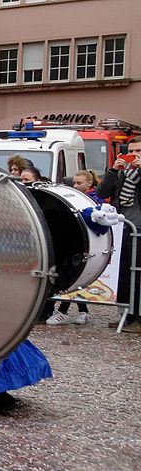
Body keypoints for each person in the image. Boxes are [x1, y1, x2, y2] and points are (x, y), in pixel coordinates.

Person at [46, 170, 102, 325]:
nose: (75, 186)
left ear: (89, 183)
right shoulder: (75, 198)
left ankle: (66, 311)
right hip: (75, 242)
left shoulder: (93, 199)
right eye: (74, 183)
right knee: (74, 277)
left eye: (79, 183)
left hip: (88, 244)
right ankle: (81, 311)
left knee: (76, 277)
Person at [97, 135, 141, 332]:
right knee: (123, 273)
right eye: (131, 151)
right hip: (123, 228)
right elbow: (102, 191)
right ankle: (126, 314)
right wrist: (114, 170)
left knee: (138, 275)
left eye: (138, 152)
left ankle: (138, 318)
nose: (133, 155)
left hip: (139, 230)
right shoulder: (122, 173)